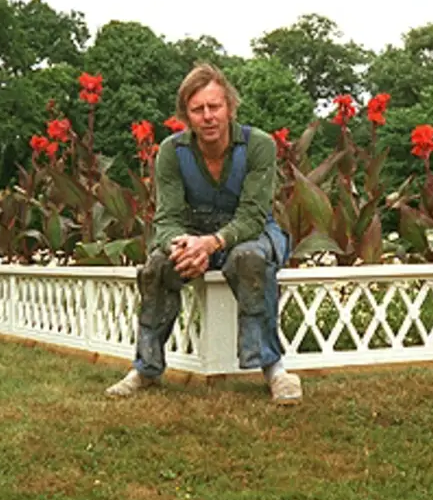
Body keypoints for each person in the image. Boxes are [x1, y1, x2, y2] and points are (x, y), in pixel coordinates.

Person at [105, 63, 302, 404]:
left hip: (250, 234)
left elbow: (253, 215)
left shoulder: (259, 145)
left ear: (229, 107)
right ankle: (146, 368)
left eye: (215, 106)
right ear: (186, 116)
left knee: (250, 260)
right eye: (198, 109)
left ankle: (274, 369)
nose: (208, 116)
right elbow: (166, 219)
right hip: (192, 236)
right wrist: (183, 247)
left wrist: (211, 244)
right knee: (156, 266)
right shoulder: (171, 151)